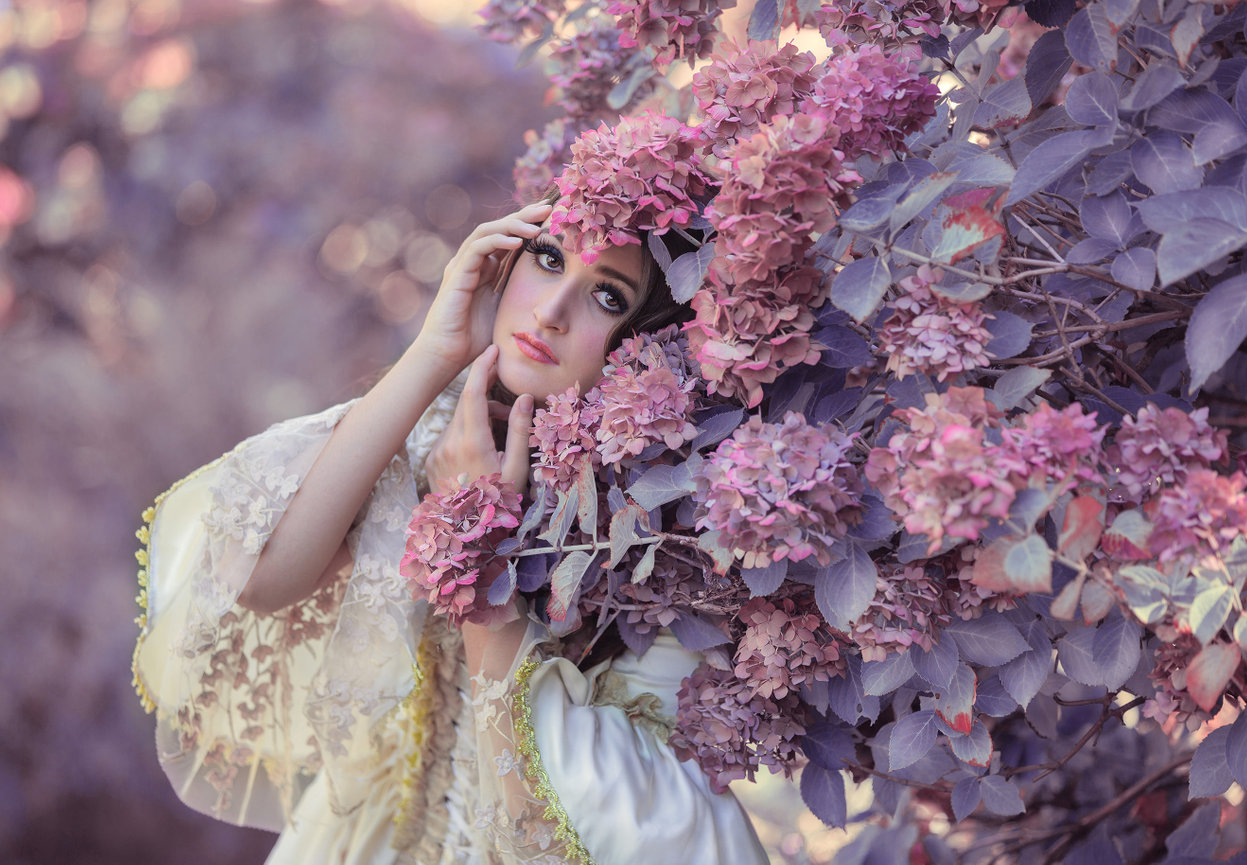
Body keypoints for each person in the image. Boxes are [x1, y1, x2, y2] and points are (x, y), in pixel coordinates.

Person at [132, 197, 771, 865]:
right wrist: (436, 352)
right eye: (547, 258)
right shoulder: (449, 431)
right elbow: (258, 576)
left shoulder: (670, 539)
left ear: (658, 339)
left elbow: (564, 829)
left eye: (607, 297)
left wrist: (476, 540)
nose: (550, 311)